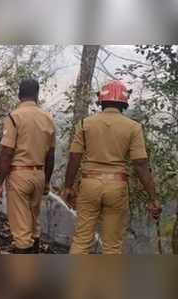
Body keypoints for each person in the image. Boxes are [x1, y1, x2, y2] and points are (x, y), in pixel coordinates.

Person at [63, 80, 162, 254]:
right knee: (112, 245)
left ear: (101, 101)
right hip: (117, 186)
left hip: (89, 184)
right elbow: (140, 164)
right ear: (124, 103)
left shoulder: (85, 124)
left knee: (82, 240)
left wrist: (68, 187)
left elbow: (74, 158)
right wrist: (152, 197)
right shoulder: (133, 127)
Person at [0, 79, 56, 253]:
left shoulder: (14, 117)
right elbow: (51, 155)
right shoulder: (48, 118)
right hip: (39, 174)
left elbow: (7, 152)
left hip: (19, 175)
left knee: (21, 230)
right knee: (33, 221)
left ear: (19, 94)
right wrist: (46, 182)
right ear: (37, 95)